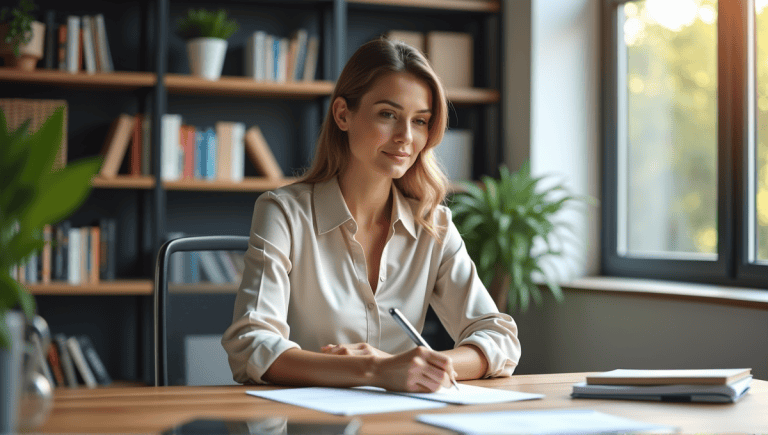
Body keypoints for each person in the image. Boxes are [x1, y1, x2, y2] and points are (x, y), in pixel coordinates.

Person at [221, 38, 520, 393]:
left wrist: (425, 367)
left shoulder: (433, 224)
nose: (406, 137)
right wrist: (375, 371)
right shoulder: (283, 213)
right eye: (388, 115)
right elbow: (251, 344)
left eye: (420, 121)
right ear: (343, 114)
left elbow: (499, 338)